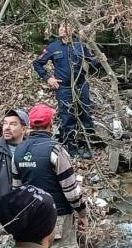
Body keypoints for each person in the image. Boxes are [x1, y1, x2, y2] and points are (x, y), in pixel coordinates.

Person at [12, 104, 88, 248]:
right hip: (57, 219)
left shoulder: (18, 151)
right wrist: (82, 213)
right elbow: (71, 191)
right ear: (51, 124)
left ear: (30, 125)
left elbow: (16, 191)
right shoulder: (55, 150)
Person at [33, 21, 101, 158]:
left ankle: (87, 145)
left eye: (65, 26)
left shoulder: (80, 46)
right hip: (64, 88)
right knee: (67, 117)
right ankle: (72, 147)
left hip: (81, 86)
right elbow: (37, 63)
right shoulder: (53, 47)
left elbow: (93, 62)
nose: (62, 29)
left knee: (86, 114)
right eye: (60, 27)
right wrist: (48, 78)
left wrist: (101, 59)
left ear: (72, 29)